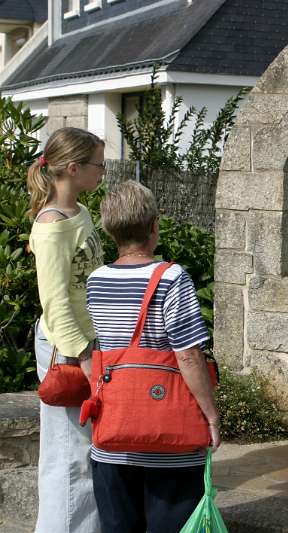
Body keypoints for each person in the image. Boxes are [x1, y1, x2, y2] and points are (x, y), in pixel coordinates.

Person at [86, 180, 220, 532]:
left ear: (110, 230)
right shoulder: (172, 278)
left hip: (113, 436)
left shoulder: (96, 280)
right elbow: (188, 356)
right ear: (154, 226)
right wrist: (211, 416)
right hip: (169, 442)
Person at [27, 127, 105, 533]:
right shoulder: (52, 226)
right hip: (67, 349)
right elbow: (55, 302)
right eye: (98, 165)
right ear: (73, 168)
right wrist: (85, 355)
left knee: (82, 452)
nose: (103, 172)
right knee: (72, 457)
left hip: (85, 343)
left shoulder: (79, 212)